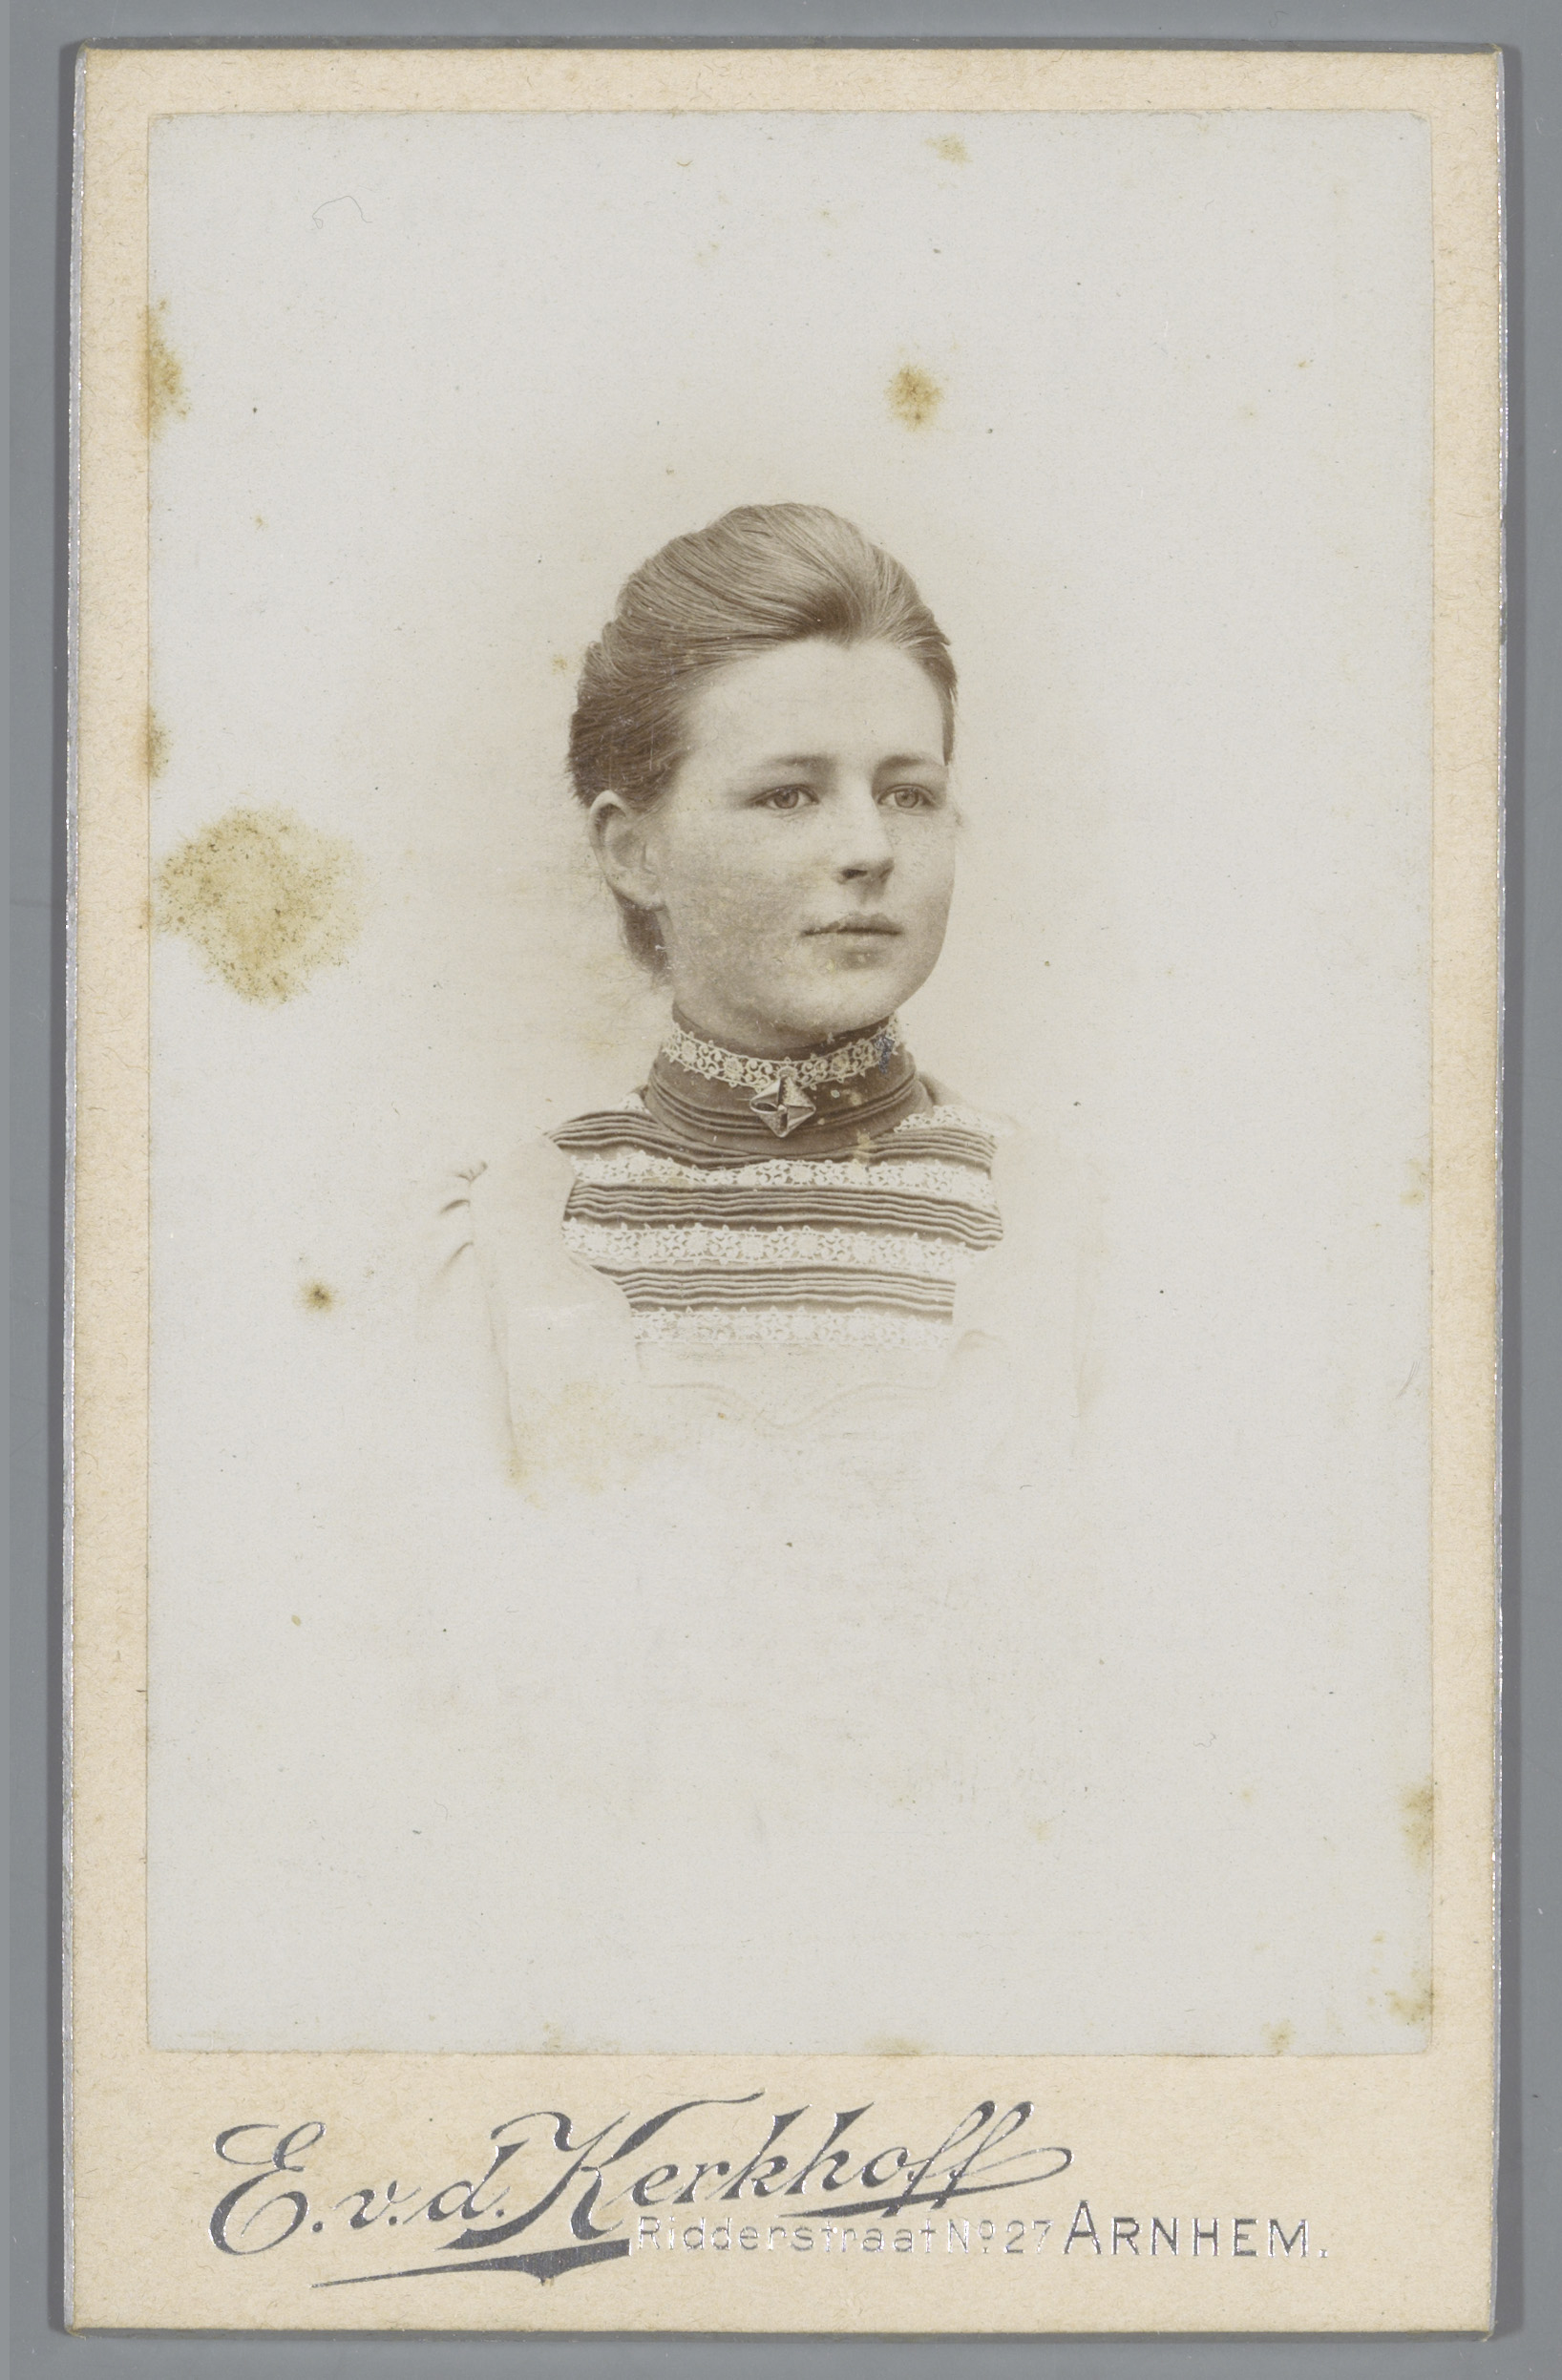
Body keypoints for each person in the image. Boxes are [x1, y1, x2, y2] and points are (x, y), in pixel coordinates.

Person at [444, 504, 1065, 1477]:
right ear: (633, 851)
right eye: (789, 795)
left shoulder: (1060, 1220)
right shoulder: (508, 1234)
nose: (869, 849)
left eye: (908, 793)